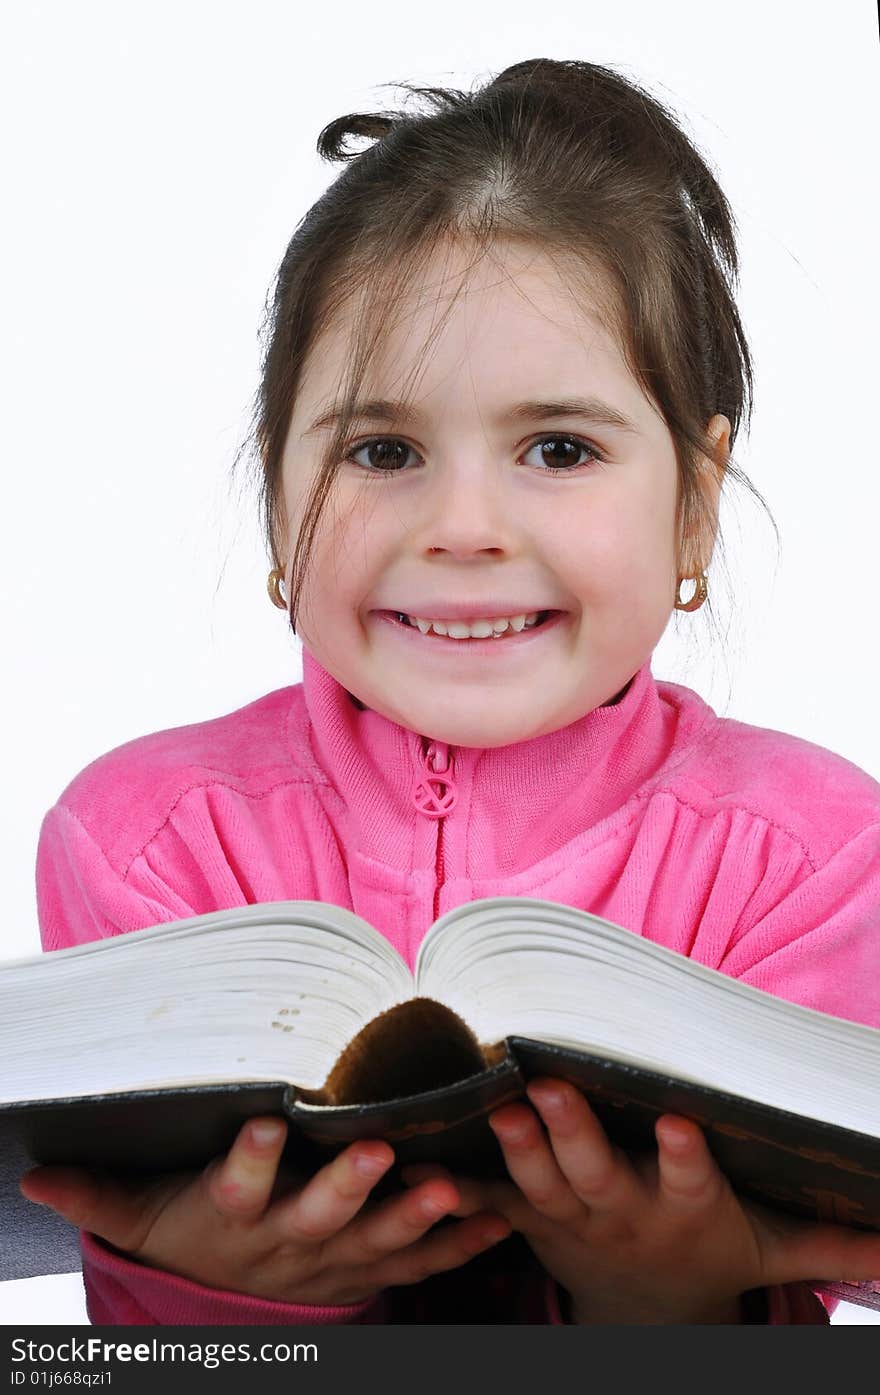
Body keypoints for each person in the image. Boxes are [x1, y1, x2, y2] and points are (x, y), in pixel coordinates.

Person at [21, 57, 880, 1326]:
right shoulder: (148, 844)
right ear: (276, 489)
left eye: (558, 449)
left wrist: (678, 1300)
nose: (464, 526)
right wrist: (208, 1279)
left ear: (694, 503)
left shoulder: (816, 860)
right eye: (383, 451)